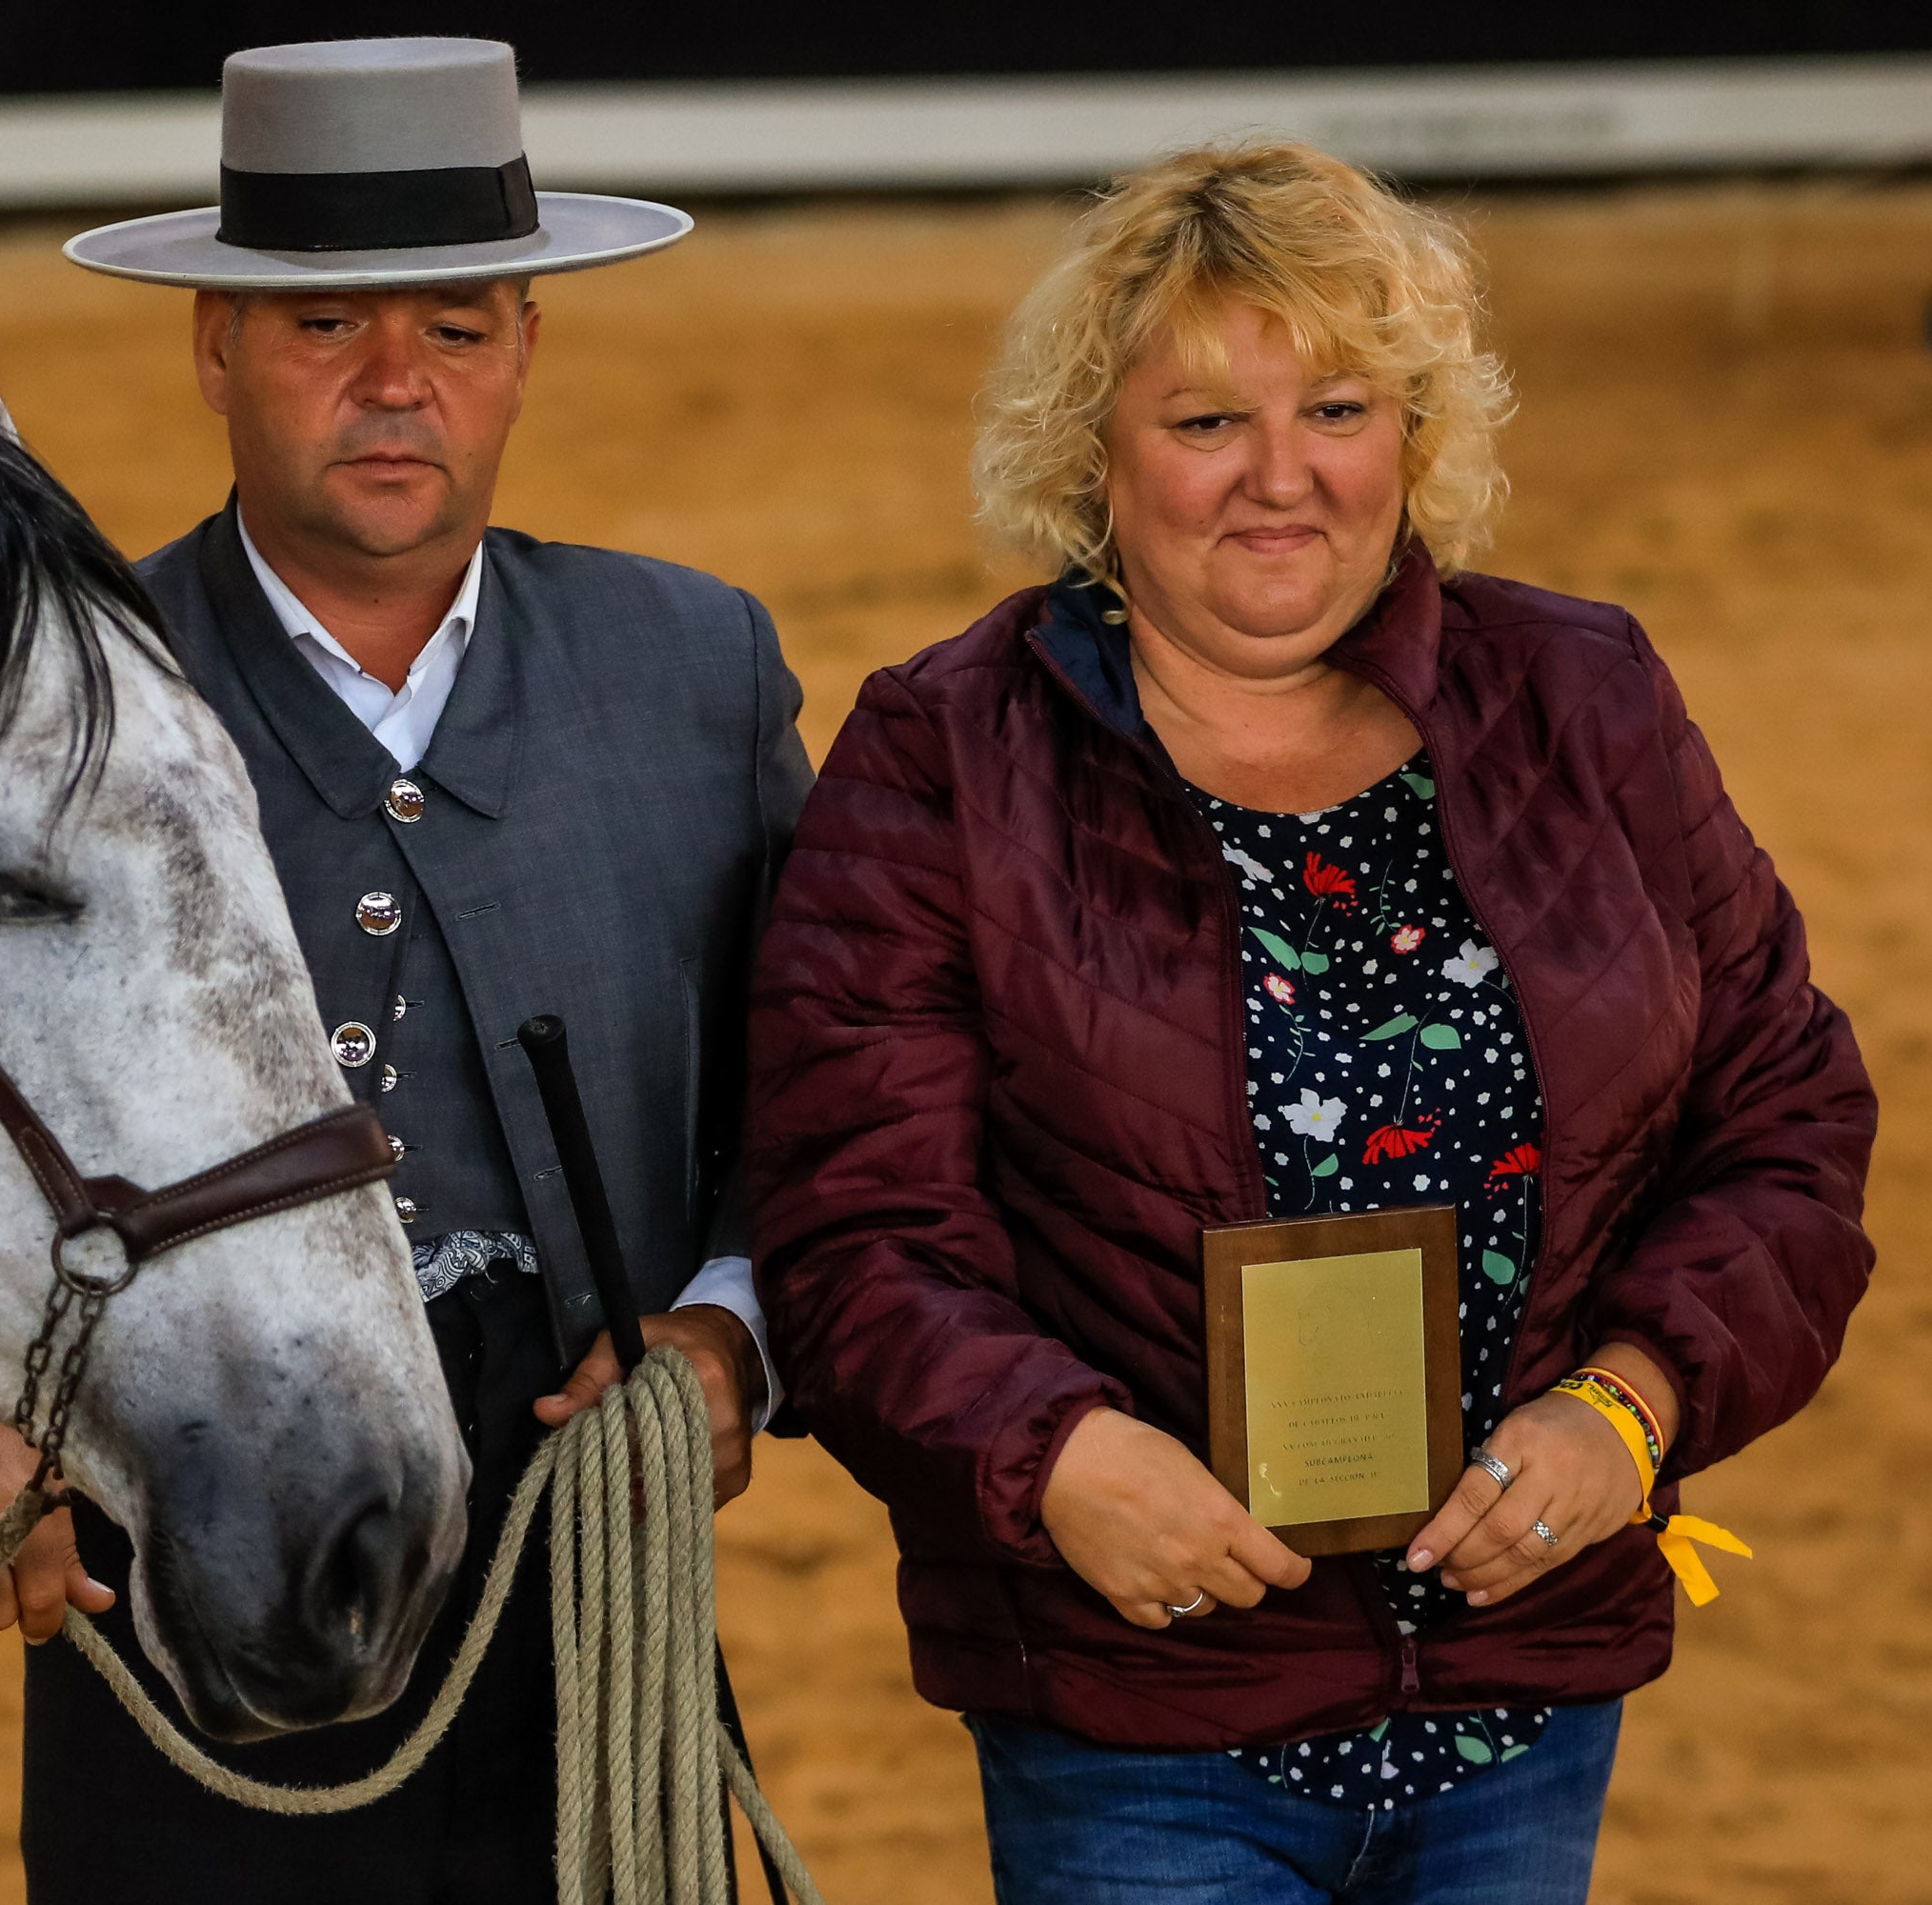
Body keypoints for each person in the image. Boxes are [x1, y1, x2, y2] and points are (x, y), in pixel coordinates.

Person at [0, 37, 809, 1904]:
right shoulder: (31, 709)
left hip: (598, 1624)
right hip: (178, 1615)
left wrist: (735, 1328)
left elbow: (840, 1095)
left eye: (460, 329)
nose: (398, 385)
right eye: (325, 331)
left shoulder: (693, 668)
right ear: (215, 348)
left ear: (529, 348)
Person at [746, 140, 1875, 1903]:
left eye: (1337, 407)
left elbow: (1788, 1119)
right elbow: (852, 1225)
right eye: (1204, 423)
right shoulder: (946, 755)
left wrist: (1634, 1409)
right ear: (1094, 460)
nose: (1281, 480)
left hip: (1523, 1703)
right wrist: (1055, 1462)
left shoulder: (1586, 696)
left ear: (1414, 439)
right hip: (1140, 1730)